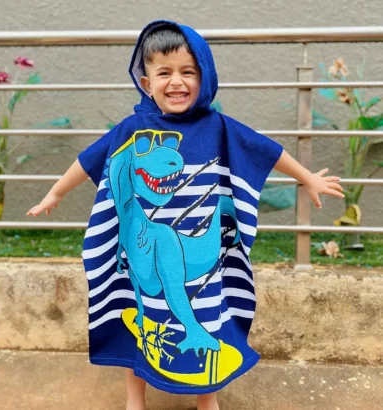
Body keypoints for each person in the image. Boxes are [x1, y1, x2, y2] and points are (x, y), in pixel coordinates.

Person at [27, 20, 344, 410]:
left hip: (174, 248)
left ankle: (206, 398)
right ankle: (134, 399)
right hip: (136, 250)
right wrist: (56, 191)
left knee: (204, 315)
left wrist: (307, 177)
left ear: (204, 76)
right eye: (165, 73)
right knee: (136, 321)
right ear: (147, 83)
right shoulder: (131, 130)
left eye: (188, 72)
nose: (176, 82)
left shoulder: (217, 127)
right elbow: (89, 159)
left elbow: (265, 149)